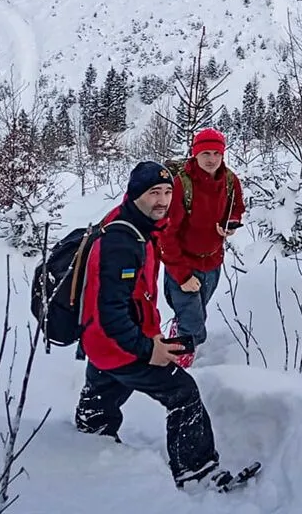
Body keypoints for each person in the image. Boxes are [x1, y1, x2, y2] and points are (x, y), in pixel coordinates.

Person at [74, 160, 225, 489]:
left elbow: (136, 295)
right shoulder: (122, 241)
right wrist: (148, 348)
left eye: (168, 192)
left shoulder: (137, 225)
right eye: (153, 192)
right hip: (117, 343)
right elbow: (111, 312)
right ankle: (196, 472)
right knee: (184, 393)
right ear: (134, 194)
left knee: (105, 392)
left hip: (102, 342)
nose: (162, 200)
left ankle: (88, 437)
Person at [159, 127, 245, 367]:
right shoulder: (181, 185)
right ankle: (178, 364)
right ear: (195, 154)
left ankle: (181, 332)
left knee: (197, 312)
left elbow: (237, 206)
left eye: (216, 153)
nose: (211, 159)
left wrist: (232, 224)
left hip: (213, 262)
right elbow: (167, 235)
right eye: (205, 153)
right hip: (183, 262)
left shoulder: (229, 180)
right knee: (194, 324)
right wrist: (182, 274)